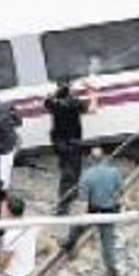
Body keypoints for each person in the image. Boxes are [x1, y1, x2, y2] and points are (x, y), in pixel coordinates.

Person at [61, 146, 123, 276]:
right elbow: (120, 191)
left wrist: (82, 218)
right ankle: (112, 271)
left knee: (75, 225)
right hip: (110, 210)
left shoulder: (86, 176)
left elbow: (83, 201)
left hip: (93, 209)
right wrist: (114, 202)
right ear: (104, 157)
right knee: (107, 242)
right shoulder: (114, 172)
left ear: (90, 159)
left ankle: (70, 244)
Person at [43, 77, 99, 213]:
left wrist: (55, 93)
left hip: (58, 143)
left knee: (67, 171)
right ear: (69, 89)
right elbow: (93, 109)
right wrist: (92, 92)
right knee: (71, 174)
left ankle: (70, 198)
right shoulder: (74, 103)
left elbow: (47, 100)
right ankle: (63, 206)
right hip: (73, 143)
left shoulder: (52, 103)